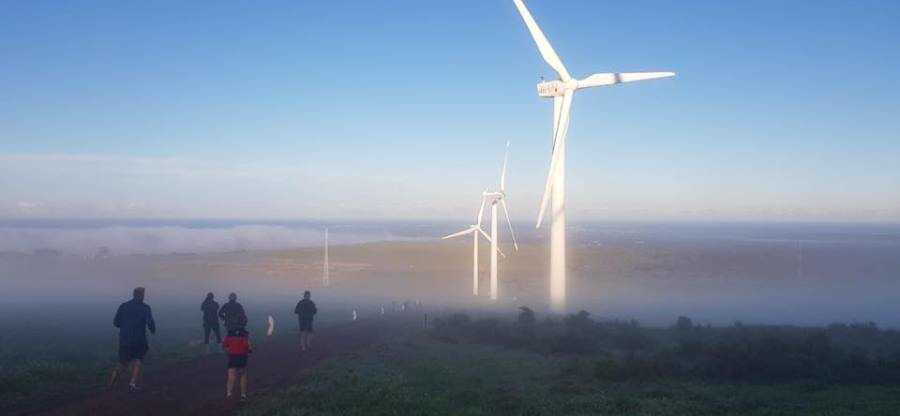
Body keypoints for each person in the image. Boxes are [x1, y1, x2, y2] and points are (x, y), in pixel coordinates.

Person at [109, 287, 156, 393]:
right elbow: (150, 323)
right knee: (138, 360)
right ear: (142, 295)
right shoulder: (145, 308)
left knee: (122, 363)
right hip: (139, 340)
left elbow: (116, 323)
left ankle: (111, 383)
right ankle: (132, 384)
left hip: (124, 339)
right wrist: (153, 330)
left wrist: (126, 326)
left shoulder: (123, 306)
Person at [222, 327, 252, 401]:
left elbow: (224, 346)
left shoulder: (229, 334)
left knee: (231, 375)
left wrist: (229, 352)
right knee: (242, 375)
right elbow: (247, 346)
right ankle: (243, 395)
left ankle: (229, 393)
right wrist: (249, 350)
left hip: (232, 357)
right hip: (242, 357)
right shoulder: (244, 335)